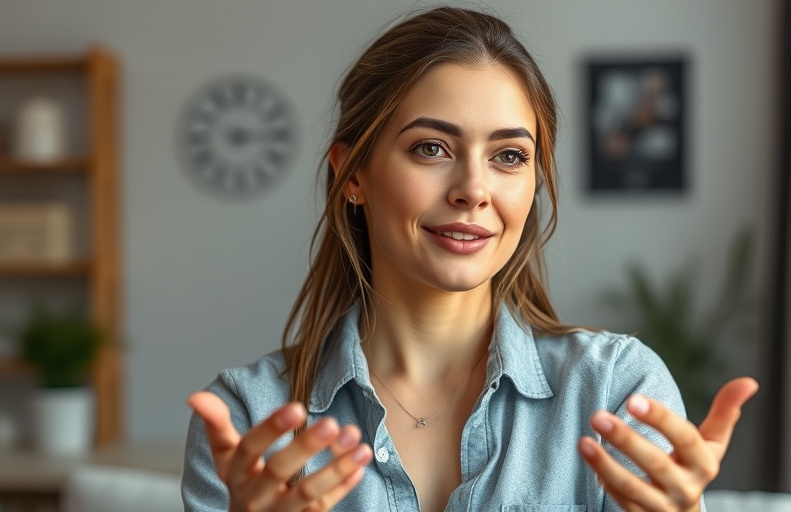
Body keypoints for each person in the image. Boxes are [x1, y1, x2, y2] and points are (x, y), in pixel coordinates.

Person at [182, 6, 759, 511]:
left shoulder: (615, 388)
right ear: (352, 173)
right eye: (431, 148)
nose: (473, 190)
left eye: (509, 156)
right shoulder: (247, 418)